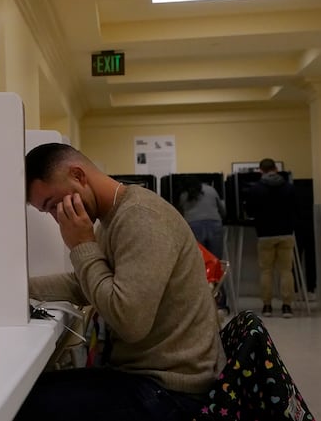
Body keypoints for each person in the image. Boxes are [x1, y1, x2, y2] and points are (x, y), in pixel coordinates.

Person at [17, 143, 225, 421]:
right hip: (145, 377)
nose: (57, 218)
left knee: (25, 408)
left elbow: (130, 322)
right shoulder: (112, 217)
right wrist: (17, 291)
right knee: (27, 393)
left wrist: (81, 245)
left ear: (78, 176)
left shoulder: (140, 217)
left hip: (171, 391)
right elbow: (84, 284)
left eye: (54, 204)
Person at [244, 158, 297, 318]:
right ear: (276, 168)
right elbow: (296, 209)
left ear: (261, 170)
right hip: (286, 233)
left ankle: (267, 306)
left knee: (266, 271)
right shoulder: (289, 187)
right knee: (286, 271)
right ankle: (287, 307)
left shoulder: (256, 189)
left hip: (265, 234)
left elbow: (250, 212)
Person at [178, 177, 229, 313]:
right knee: (216, 264)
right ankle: (220, 304)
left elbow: (180, 214)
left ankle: (200, 305)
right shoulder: (211, 190)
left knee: (198, 266)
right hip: (214, 226)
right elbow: (223, 211)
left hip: (193, 227)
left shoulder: (184, 195)